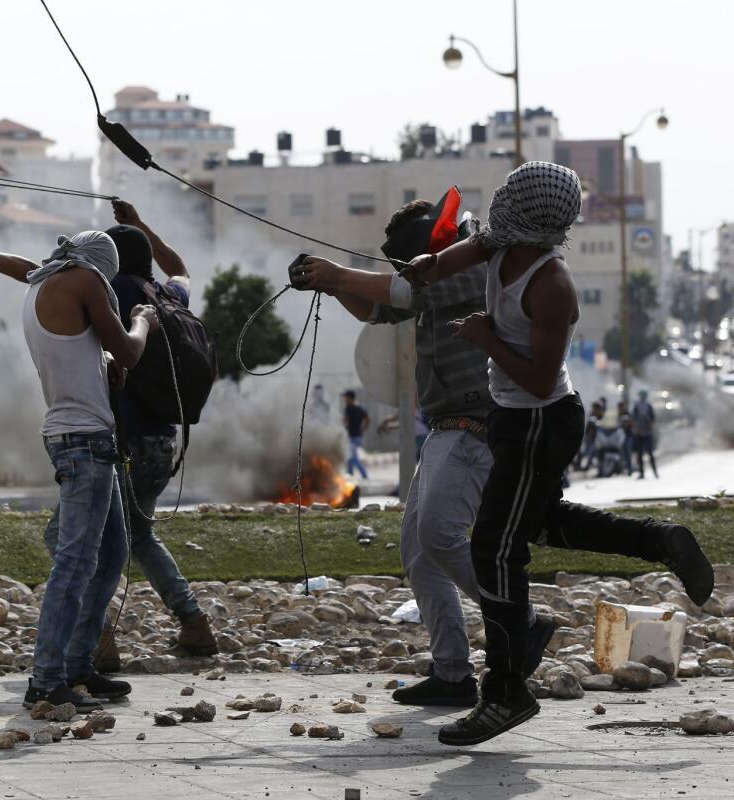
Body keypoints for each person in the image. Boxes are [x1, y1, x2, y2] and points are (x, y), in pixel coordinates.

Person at [407, 161, 714, 745]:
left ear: (528, 215)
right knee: (543, 523)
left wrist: (485, 337)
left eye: (511, 197)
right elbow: (459, 255)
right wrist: (428, 267)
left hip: (540, 419)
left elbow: (542, 381)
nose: (498, 204)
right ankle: (660, 540)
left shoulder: (553, 285)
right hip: (513, 420)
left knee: (495, 548)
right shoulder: (500, 244)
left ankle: (504, 692)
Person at [292, 194, 551, 708]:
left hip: (475, 426)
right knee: (420, 552)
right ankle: (452, 673)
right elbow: (378, 308)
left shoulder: (474, 268)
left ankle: (520, 620)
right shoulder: (441, 272)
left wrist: (337, 274)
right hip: (449, 427)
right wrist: (330, 281)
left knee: (438, 535)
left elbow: (402, 293)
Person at [0, 228, 157, 710]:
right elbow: (132, 350)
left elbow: (16, 266)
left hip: (79, 437)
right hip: (85, 440)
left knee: (111, 556)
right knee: (75, 563)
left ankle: (77, 664)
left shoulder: (44, 283)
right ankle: (47, 679)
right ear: (97, 267)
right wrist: (142, 320)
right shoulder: (87, 282)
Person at [96, 200, 218, 667]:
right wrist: (141, 223)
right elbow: (182, 268)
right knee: (139, 535)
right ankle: (194, 624)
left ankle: (97, 638)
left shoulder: (108, 293)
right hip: (163, 444)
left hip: (123, 443)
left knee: (76, 537)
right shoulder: (165, 296)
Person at [342, 390, 370, 478]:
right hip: (358, 437)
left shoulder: (349, 408)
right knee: (350, 458)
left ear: (350, 398)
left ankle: (365, 475)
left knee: (354, 458)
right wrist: (363, 430)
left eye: (346, 397)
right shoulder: (359, 407)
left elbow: (345, 421)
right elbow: (368, 419)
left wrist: (343, 428)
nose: (345, 399)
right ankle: (350, 475)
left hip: (352, 437)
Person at [631, 389, 659, 478]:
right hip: (640, 433)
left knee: (649, 454)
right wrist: (636, 429)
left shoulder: (648, 406)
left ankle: (655, 472)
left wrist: (649, 427)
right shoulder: (637, 406)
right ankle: (642, 473)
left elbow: (652, 419)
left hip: (647, 433)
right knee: (640, 454)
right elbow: (633, 419)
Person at [617, 400, 635, 475]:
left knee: (628, 453)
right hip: (620, 436)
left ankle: (629, 469)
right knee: (621, 454)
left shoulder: (627, 414)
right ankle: (622, 469)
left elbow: (629, 424)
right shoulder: (618, 414)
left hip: (628, 436)